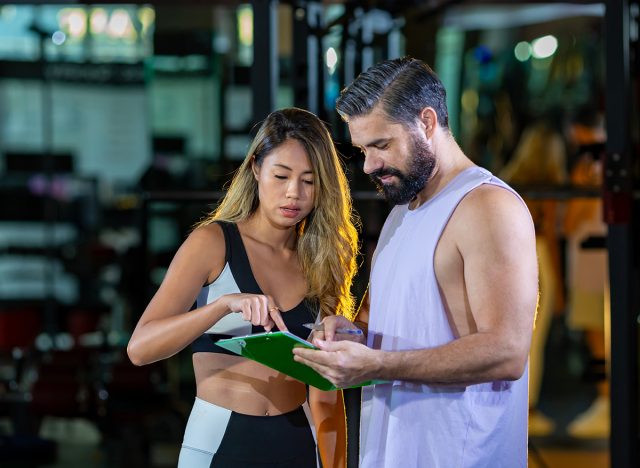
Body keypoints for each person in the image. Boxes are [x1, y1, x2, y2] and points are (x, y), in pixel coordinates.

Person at [293, 57, 538, 467]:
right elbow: (384, 325)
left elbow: (506, 352)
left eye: (381, 145)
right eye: (363, 149)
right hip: (393, 451)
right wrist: (349, 333)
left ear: (426, 123)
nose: (369, 165)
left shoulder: (488, 207)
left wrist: (378, 365)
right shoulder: (401, 212)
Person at [127, 107, 359, 467]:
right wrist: (222, 306)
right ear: (255, 169)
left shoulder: (324, 258)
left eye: (309, 181)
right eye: (281, 176)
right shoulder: (212, 242)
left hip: (300, 444)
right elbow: (140, 349)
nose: (293, 193)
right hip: (219, 442)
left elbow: (325, 393)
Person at [500, 119, 568, 436]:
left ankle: (510, 407)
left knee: (510, 333)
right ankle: (527, 409)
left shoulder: (510, 183)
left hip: (508, 255)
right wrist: (561, 286)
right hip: (538, 255)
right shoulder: (551, 186)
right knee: (534, 339)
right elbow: (551, 238)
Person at [563, 106, 609, 439]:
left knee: (597, 335)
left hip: (591, 261)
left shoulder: (588, 166)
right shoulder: (610, 158)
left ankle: (606, 401)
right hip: (602, 259)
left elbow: (570, 220)